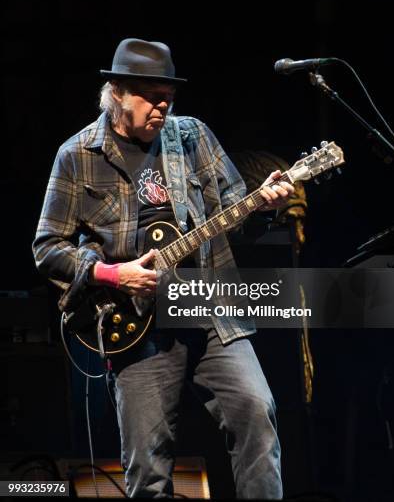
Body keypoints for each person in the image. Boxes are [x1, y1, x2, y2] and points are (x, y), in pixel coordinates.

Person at [33, 38, 294, 499]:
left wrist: (264, 205)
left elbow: (236, 220)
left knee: (258, 415)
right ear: (117, 91)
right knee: (148, 468)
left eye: (167, 98)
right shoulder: (76, 155)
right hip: (135, 324)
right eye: (150, 97)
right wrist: (113, 274)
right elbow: (47, 248)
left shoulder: (192, 137)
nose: (161, 108)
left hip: (208, 309)